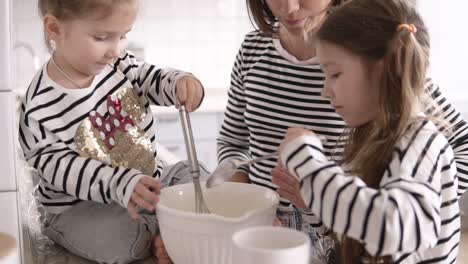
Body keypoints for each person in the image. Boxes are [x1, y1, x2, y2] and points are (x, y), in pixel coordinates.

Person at [217, 0, 468, 252]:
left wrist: (428, 197)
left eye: (334, 75)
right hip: (302, 229)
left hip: (346, 224)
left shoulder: (383, 51)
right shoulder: (252, 50)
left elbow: (393, 224)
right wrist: (248, 206)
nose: (289, 7)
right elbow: (232, 142)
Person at [18, 0, 204, 263]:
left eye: (123, 36)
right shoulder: (39, 105)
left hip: (149, 182)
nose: (116, 51)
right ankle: (165, 232)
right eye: (102, 37)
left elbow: (149, 77)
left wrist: (178, 83)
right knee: (117, 240)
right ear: (55, 28)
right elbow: (61, 169)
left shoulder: (118, 65)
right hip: (83, 209)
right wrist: (120, 182)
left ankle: (167, 226)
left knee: (196, 177)